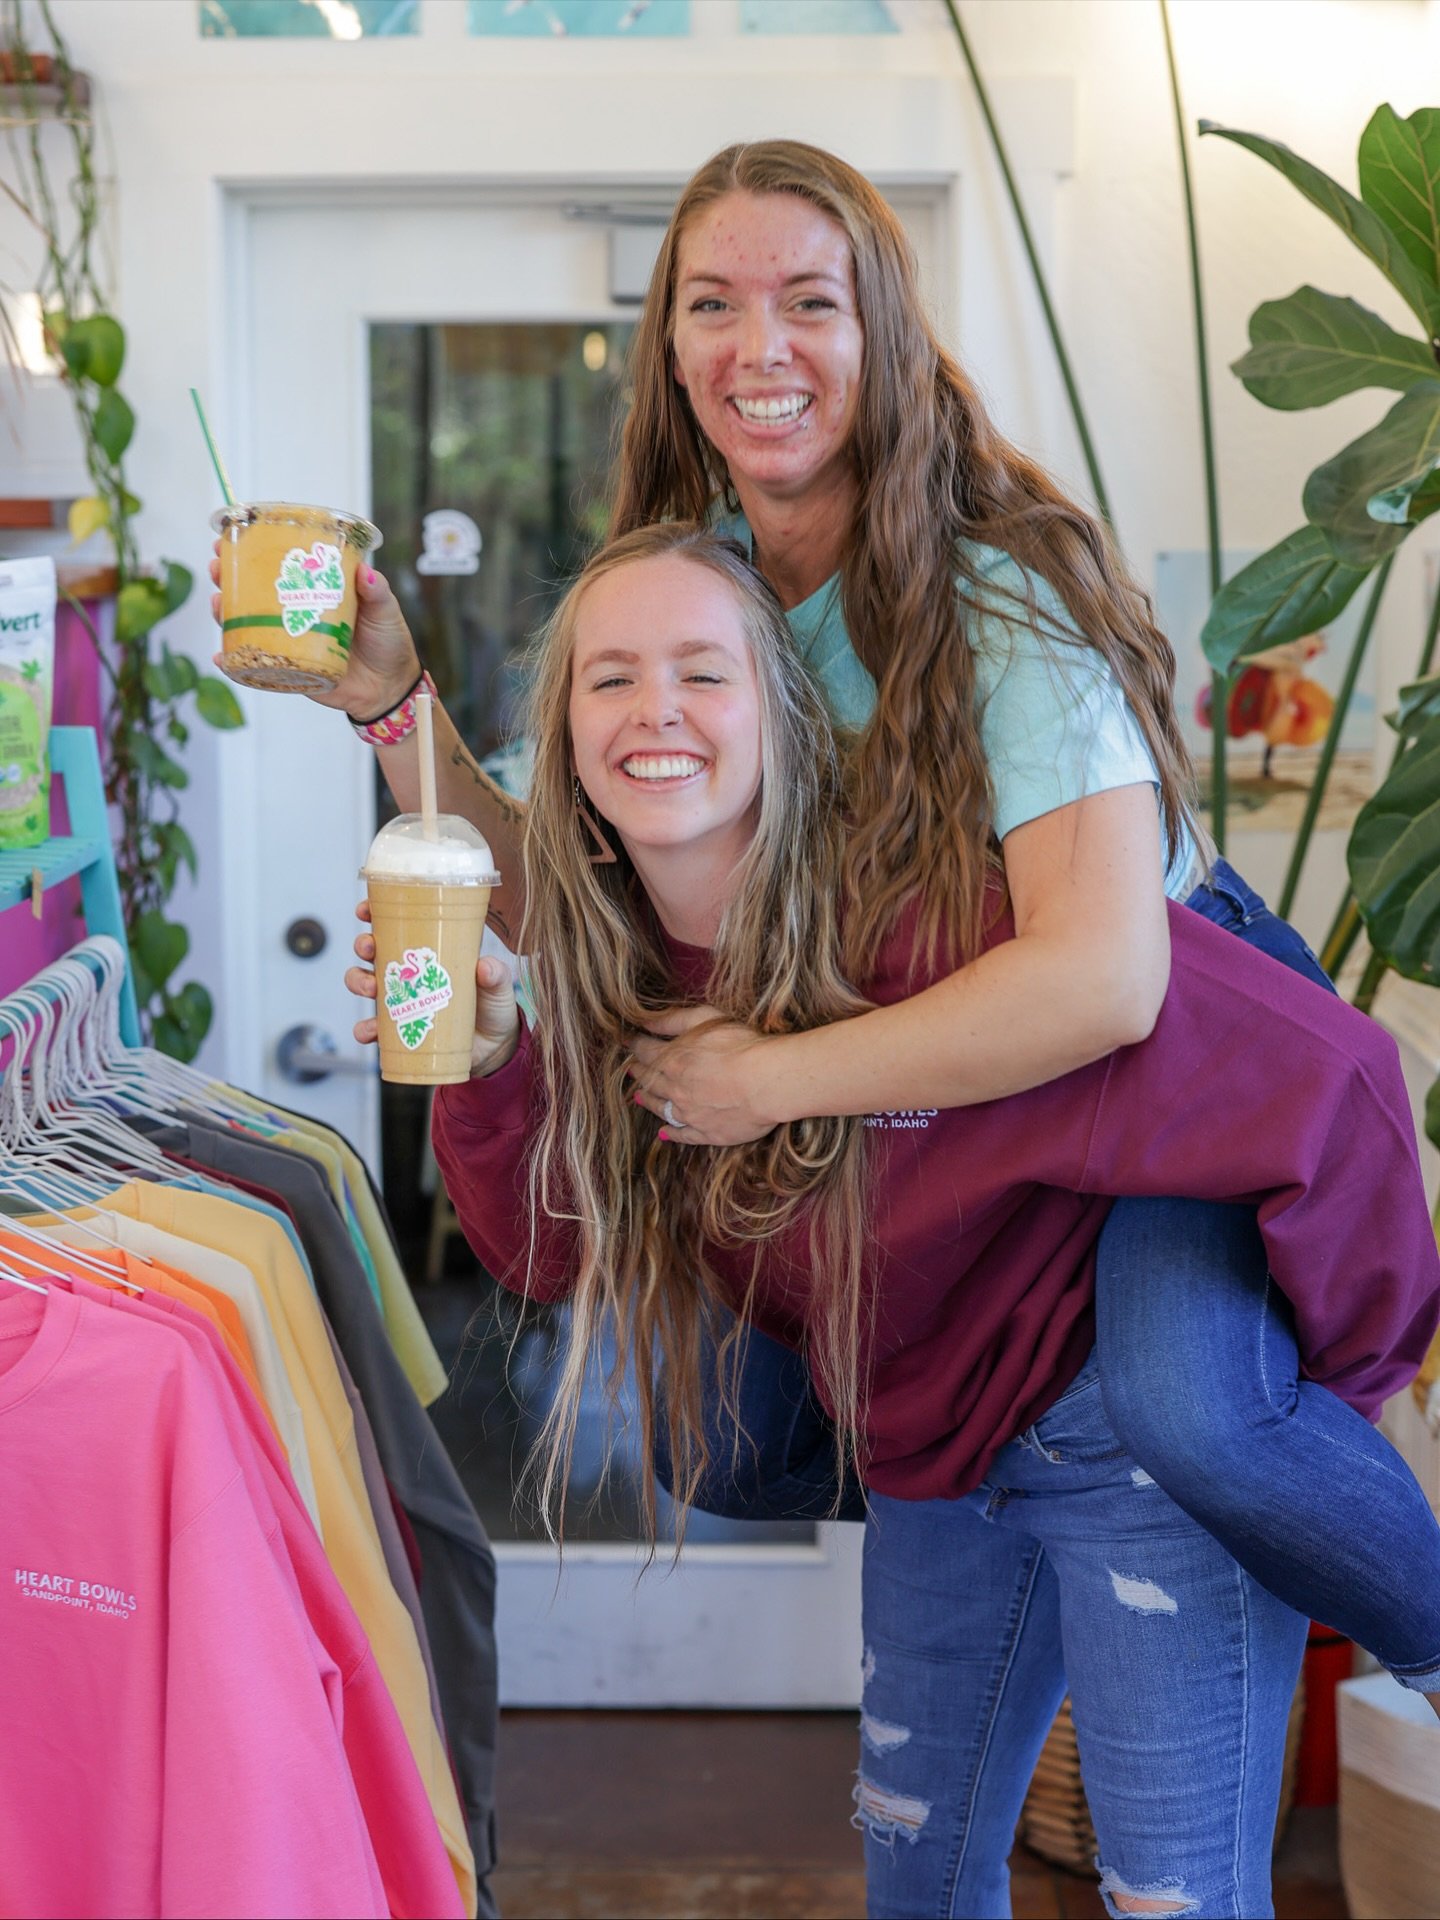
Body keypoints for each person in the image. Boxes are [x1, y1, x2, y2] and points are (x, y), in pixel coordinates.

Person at [345, 523, 1440, 1919]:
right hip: (937, 1443)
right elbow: (541, 1254)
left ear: (788, 723)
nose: (656, 710)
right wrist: (495, 1059)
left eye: (704, 672)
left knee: (1172, 1900)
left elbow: (1329, 1074)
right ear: (559, 742)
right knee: (917, 1872)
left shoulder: (950, 928)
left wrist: (1324, 1389)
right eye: (609, 681)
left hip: (1128, 1445)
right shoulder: (614, 972)